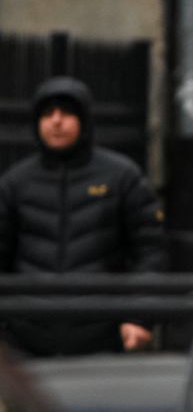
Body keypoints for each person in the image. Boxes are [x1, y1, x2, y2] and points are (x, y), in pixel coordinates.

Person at [0, 76, 166, 357]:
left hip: (101, 338)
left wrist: (139, 316)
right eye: (47, 113)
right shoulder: (15, 182)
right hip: (24, 340)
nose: (56, 121)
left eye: (66, 113)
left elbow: (150, 251)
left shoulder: (122, 176)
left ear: (84, 120)